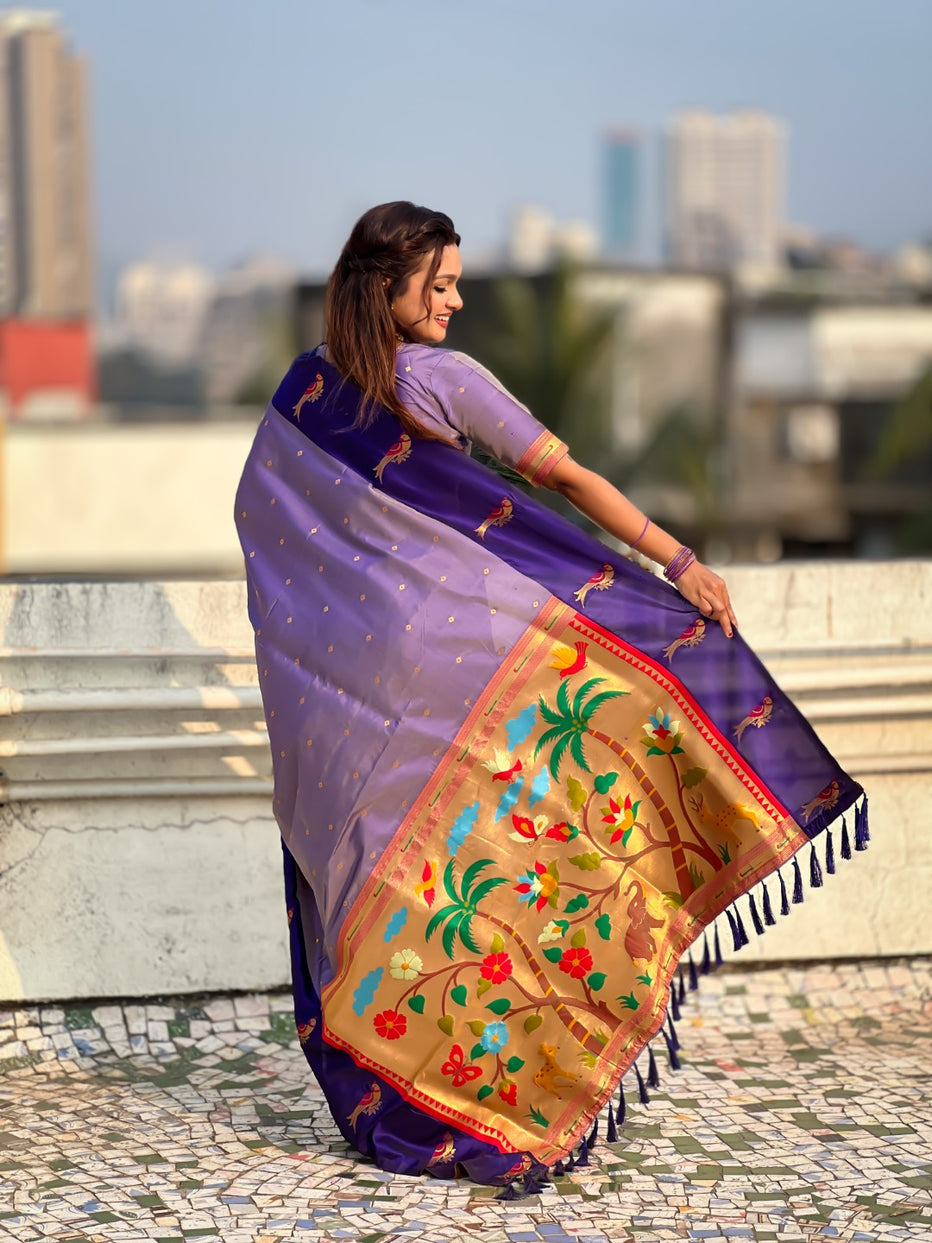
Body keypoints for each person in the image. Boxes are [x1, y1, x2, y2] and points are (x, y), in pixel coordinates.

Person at [235, 201, 867, 1193]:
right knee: (496, 869)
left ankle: (404, 1106)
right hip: (463, 675)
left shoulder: (303, 393)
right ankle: (499, 1094)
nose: (453, 301)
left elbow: (271, 533)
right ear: (384, 287)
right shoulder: (444, 378)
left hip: (356, 698)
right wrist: (677, 563)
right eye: (439, 284)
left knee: (390, 885)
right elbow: (565, 477)